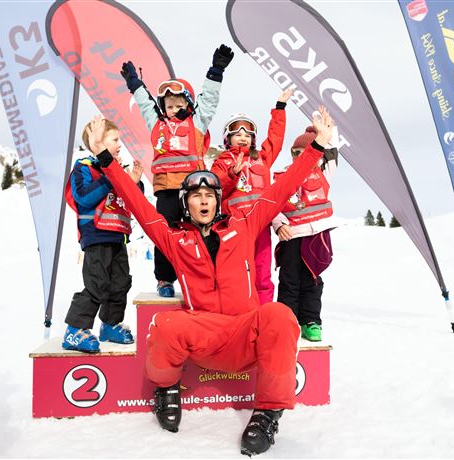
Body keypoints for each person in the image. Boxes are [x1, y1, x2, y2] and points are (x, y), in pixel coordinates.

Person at [87, 107, 333, 455]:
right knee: (166, 324)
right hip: (203, 338)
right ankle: (167, 389)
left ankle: (267, 413)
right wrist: (105, 160)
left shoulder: (244, 225)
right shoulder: (176, 239)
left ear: (219, 201)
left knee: (279, 314)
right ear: (186, 203)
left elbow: (282, 189)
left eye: (210, 195)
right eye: (196, 196)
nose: (203, 200)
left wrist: (317, 148)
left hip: (244, 334)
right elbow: (139, 205)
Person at [119, 44, 234, 298]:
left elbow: (209, 100)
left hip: (193, 189)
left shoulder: (197, 121)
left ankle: (202, 275)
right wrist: (134, 83)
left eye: (178, 104)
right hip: (167, 192)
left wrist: (216, 70)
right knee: (166, 234)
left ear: (189, 105)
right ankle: (165, 279)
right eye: (169, 105)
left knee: (199, 230)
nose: (173, 109)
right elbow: (144, 104)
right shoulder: (156, 124)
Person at [62, 119, 144, 353]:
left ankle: (110, 324)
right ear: (97, 141)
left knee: (120, 283)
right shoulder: (85, 167)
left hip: (118, 234)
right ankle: (75, 329)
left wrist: (134, 183)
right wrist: (110, 176)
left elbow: (130, 200)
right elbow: (84, 197)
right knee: (97, 283)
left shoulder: (118, 168)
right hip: (96, 234)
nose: (120, 144)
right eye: (115, 140)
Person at [210, 88, 293, 304]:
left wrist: (280, 108)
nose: (243, 137)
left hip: (261, 228)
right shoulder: (222, 161)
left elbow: (275, 139)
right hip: (235, 228)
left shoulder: (261, 158)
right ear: (228, 138)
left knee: (262, 273)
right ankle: (240, 316)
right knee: (237, 274)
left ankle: (263, 316)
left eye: (248, 134)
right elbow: (215, 188)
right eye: (237, 133)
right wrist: (232, 173)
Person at [272, 126, 339, 342]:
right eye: (297, 154)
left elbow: (332, 148)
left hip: (316, 236)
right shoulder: (283, 176)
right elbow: (272, 205)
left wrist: (326, 130)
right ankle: (286, 320)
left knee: (312, 280)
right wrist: (279, 224)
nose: (302, 159)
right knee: (289, 280)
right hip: (292, 236)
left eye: (308, 153)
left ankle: (311, 321)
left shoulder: (324, 173)